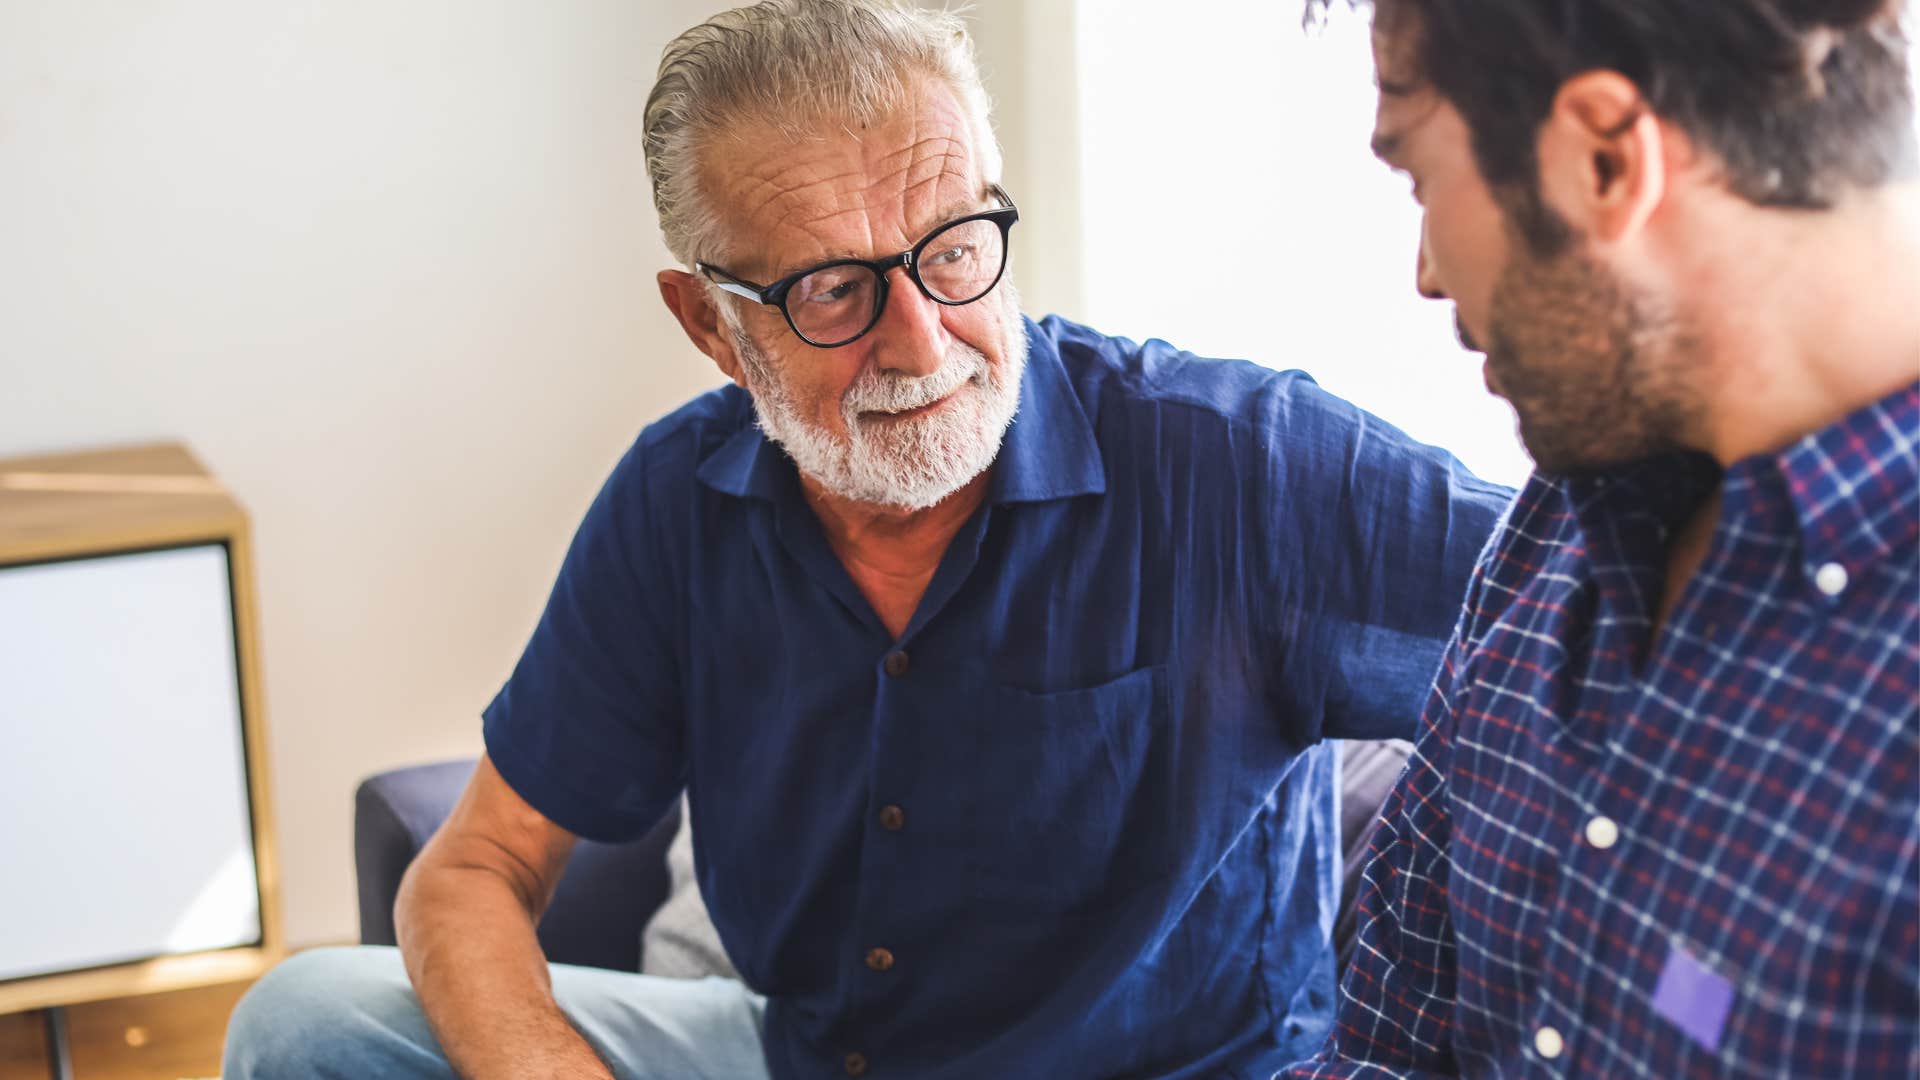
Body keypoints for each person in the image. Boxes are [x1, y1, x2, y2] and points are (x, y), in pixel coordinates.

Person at [223, 2, 1510, 1076]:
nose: (922, 339)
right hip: (803, 1055)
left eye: (953, 249)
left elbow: (1599, 613)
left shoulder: (1243, 463)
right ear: (711, 327)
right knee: (306, 1026)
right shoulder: (676, 503)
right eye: (833, 289)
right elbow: (474, 867)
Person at [1284, 1, 1920, 1075]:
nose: (1428, 273)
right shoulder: (1549, 542)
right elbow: (1391, 1048)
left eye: (1421, 181)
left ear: (1605, 160)